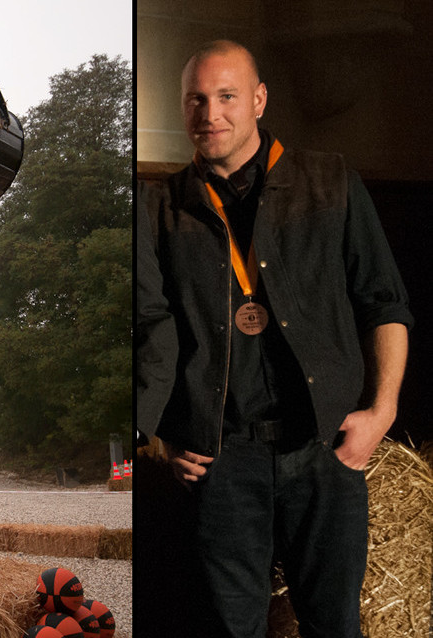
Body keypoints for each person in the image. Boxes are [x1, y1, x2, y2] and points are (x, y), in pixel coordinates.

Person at [137, 40, 412, 637]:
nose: (210, 113)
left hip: (325, 449)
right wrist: (158, 431)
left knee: (335, 626)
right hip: (223, 460)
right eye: (196, 99)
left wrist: (381, 412)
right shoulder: (158, 207)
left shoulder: (331, 181)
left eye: (227, 96)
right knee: (231, 630)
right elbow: (148, 327)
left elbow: (384, 303)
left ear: (259, 100)